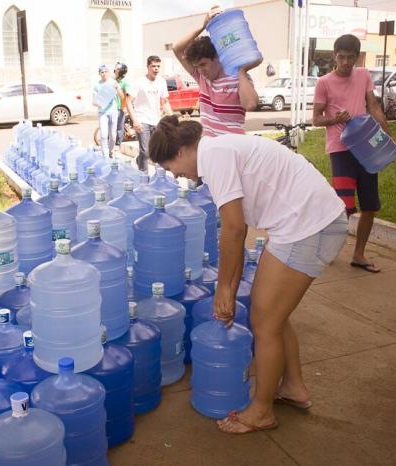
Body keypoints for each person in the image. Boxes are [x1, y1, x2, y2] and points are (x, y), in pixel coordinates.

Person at [148, 115, 347, 434]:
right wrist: (228, 284)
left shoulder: (213, 155)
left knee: (264, 321)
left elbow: (234, 229)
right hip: (307, 222)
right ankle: (293, 386)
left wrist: (225, 290)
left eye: (172, 167)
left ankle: (261, 411)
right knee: (273, 313)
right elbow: (235, 234)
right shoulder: (220, 149)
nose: (176, 176)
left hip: (307, 225)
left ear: (184, 150)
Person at [313, 34, 394, 273]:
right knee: (344, 206)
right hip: (340, 150)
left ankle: (359, 255)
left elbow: (374, 107)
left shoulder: (364, 75)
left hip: (366, 148)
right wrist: (334, 120)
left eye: (350, 57)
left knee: (370, 205)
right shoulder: (324, 82)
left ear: (357, 57)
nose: (345, 62)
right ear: (334, 56)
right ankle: (324, 248)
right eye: (341, 57)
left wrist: (389, 137)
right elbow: (316, 119)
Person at [172, 5, 259, 137]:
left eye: (203, 64)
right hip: (211, 149)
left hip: (233, 149)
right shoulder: (202, 79)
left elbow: (251, 104)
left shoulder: (238, 77)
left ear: (217, 57)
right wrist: (203, 25)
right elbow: (177, 49)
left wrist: (241, 71)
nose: (200, 71)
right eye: (197, 66)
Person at [126, 55, 172, 170]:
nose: (156, 68)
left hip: (156, 121)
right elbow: (128, 101)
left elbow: (165, 101)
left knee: (155, 152)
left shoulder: (161, 82)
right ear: (148, 67)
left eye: (158, 66)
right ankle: (144, 180)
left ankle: (139, 160)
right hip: (142, 121)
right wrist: (135, 120)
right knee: (145, 151)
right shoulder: (140, 82)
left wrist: (173, 118)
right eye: (153, 66)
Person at [93, 64, 120, 158]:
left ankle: (111, 151)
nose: (104, 74)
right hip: (102, 112)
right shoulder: (97, 85)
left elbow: (121, 95)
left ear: (108, 72)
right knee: (104, 135)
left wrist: (117, 88)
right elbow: (94, 101)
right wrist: (99, 103)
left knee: (112, 135)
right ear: (99, 73)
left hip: (113, 111)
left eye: (105, 72)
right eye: (102, 72)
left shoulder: (113, 82)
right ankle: (105, 154)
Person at [114, 62, 130, 147]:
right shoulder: (114, 80)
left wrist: (125, 107)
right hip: (111, 108)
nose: (115, 70)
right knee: (111, 127)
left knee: (119, 128)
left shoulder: (125, 82)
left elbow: (127, 96)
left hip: (120, 108)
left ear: (121, 71)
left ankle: (118, 144)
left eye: (117, 69)